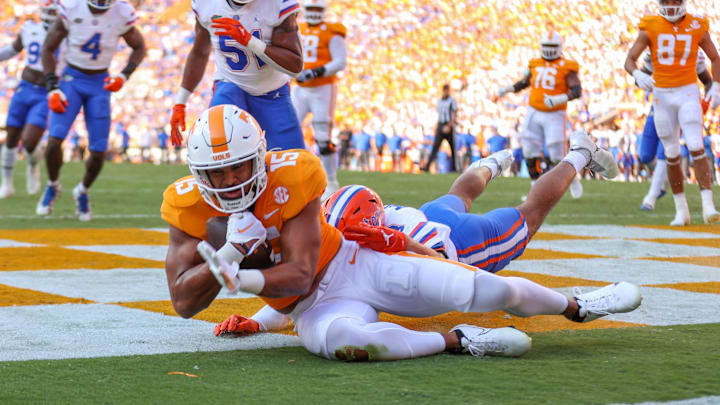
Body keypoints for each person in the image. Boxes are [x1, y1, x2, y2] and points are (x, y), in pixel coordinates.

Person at [162, 105, 642, 362]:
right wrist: (227, 257)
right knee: (360, 345)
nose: (230, 182)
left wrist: (239, 276)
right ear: (195, 172)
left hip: (354, 263)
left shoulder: (296, 178)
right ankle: (459, 340)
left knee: (487, 282)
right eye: (216, 173)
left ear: (262, 155)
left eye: (239, 167)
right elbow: (183, 301)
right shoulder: (186, 206)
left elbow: (302, 272)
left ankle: (579, 306)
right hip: (318, 307)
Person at [36, 0, 146, 221]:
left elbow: (140, 46)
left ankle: (82, 190)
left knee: (98, 151)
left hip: (100, 83)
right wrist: (52, 88)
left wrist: (124, 75)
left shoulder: (122, 12)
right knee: (54, 141)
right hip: (72, 79)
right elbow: (48, 48)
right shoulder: (72, 7)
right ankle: (53, 185)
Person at [624, 0, 720, 225]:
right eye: (666, 0)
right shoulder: (650, 26)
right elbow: (629, 60)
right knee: (671, 153)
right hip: (662, 96)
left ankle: (708, 207)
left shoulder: (697, 25)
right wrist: (637, 75)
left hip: (687, 92)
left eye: (675, 0)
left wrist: (715, 84)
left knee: (696, 144)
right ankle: (682, 211)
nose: (671, 4)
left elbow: (715, 57)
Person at [169, 0, 305, 152]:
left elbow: (295, 66)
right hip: (230, 84)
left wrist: (249, 41)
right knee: (217, 152)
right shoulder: (205, 3)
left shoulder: (277, 4)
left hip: (273, 91)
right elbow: (199, 53)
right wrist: (180, 103)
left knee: (291, 162)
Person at [495, 31, 585, 200]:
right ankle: (535, 188)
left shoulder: (567, 66)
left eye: (552, 47)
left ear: (559, 48)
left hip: (555, 113)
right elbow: (524, 82)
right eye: (546, 46)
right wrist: (508, 89)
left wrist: (560, 98)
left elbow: (577, 91)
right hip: (533, 111)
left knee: (557, 154)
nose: (549, 50)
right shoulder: (535, 63)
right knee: (529, 149)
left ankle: (572, 178)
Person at [637, 50, 713, 211]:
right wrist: (640, 73)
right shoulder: (658, 42)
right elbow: (640, 80)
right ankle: (664, 180)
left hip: (681, 106)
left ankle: (650, 198)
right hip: (658, 104)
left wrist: (708, 99)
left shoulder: (692, 46)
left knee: (665, 152)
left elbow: (707, 79)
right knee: (644, 155)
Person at [0, 0, 58, 199]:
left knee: (30, 141)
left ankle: (33, 166)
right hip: (24, 87)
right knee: (11, 136)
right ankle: (6, 182)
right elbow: (12, 50)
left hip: (45, 91)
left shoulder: (67, 35)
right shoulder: (29, 28)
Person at [292, 0, 346, 199]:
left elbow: (341, 62)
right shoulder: (297, 27)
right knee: (290, 129)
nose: (314, 13)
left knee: (323, 136)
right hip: (300, 88)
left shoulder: (332, 31)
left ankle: (331, 180)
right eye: (311, 9)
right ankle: (297, 175)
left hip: (323, 88)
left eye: (317, 9)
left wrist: (315, 72)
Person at [423, 84, 457, 172]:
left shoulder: (452, 101)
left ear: (448, 91)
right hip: (441, 124)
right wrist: (437, 126)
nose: (445, 91)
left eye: (447, 90)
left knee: (453, 147)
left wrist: (449, 125)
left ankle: (455, 168)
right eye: (444, 90)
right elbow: (440, 115)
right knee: (435, 146)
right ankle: (427, 167)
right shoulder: (440, 101)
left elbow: (455, 114)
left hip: (449, 125)